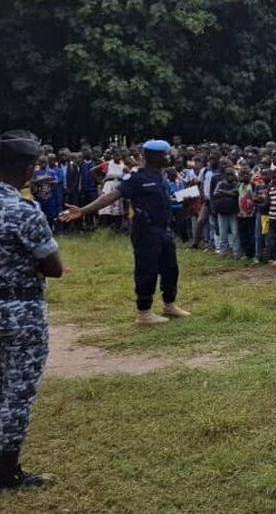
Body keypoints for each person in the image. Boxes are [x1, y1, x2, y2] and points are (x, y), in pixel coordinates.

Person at [60, 140, 191, 324]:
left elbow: (162, 199)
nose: (169, 157)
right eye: (165, 155)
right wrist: (83, 210)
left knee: (170, 268)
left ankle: (169, 304)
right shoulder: (136, 177)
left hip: (164, 229)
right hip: (145, 231)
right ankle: (144, 312)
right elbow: (111, 196)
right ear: (154, 157)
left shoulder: (160, 174)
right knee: (147, 269)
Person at [0, 130, 63, 490]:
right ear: (27, 171)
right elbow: (53, 267)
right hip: (20, 313)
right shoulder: (22, 211)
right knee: (17, 391)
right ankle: (6, 470)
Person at [212, 167, 241, 257]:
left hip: (233, 211)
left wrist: (223, 192)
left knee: (235, 233)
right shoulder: (220, 183)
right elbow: (215, 194)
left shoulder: (237, 184)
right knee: (222, 233)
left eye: (231, 175)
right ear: (225, 175)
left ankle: (236, 252)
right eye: (228, 175)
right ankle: (223, 251)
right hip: (222, 211)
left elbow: (235, 194)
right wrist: (229, 193)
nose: (229, 177)